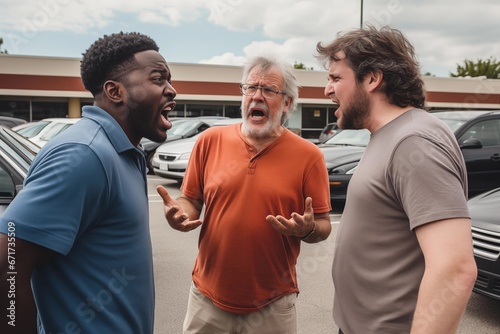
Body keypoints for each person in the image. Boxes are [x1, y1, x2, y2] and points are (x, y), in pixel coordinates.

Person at [0, 32, 176, 333]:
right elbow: (8, 261)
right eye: (158, 79)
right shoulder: (84, 154)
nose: (172, 90)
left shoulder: (125, 151)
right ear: (115, 91)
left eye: (169, 80)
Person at [316, 25, 478, 334]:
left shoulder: (413, 141)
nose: (327, 90)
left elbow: (455, 270)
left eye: (336, 78)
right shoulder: (390, 134)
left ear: (373, 78)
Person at [157, 55, 332, 334]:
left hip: (273, 304)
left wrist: (308, 228)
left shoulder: (309, 156)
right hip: (207, 298)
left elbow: (323, 225)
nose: (257, 97)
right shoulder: (209, 141)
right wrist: (179, 214)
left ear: (287, 103)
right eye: (250, 88)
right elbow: (190, 201)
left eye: (269, 90)